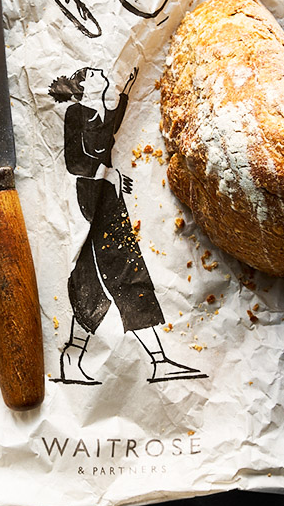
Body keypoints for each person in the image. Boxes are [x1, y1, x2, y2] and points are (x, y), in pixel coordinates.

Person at [48, 66, 204, 385]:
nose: (99, 73)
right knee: (126, 272)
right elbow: (76, 163)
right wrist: (112, 175)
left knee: (89, 276)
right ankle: (159, 362)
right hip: (93, 197)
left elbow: (115, 120)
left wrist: (131, 82)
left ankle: (73, 357)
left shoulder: (100, 111)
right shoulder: (77, 112)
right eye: (92, 73)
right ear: (82, 86)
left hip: (106, 196)